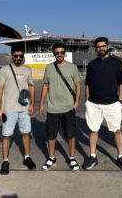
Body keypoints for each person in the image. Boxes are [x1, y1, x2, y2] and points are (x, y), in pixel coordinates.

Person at [82, 37, 122, 171]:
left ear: (108, 46)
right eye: (98, 47)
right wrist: (87, 100)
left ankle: (120, 157)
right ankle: (92, 156)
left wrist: (120, 100)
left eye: (103, 46)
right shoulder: (92, 64)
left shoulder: (116, 62)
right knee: (93, 130)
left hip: (112, 103)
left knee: (117, 130)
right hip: (94, 104)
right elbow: (87, 84)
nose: (101, 49)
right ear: (96, 48)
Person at [39, 43, 81, 171]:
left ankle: (72, 157)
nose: (59, 55)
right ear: (53, 53)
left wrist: (76, 103)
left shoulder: (72, 67)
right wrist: (41, 103)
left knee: (70, 134)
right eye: (57, 53)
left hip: (68, 107)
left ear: (65, 53)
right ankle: (51, 157)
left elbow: (78, 85)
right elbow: (45, 86)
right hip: (52, 108)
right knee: (51, 135)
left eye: (62, 52)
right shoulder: (49, 68)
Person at [0, 45, 36, 175]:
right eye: (15, 55)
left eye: (20, 56)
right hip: (8, 109)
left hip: (24, 108)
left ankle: (27, 157)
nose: (18, 58)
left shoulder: (28, 69)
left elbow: (31, 87)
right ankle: (5, 161)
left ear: (23, 56)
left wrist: (32, 105)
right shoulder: (4, 70)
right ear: (11, 55)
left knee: (26, 133)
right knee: (7, 135)